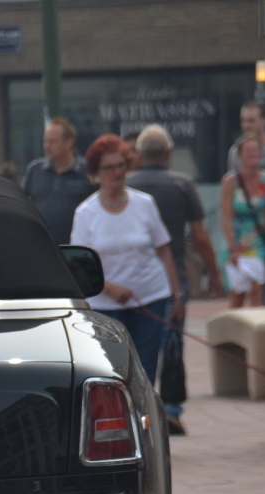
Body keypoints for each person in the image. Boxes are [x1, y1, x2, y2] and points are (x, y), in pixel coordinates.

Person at [127, 124, 223, 435]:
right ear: (168, 153)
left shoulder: (126, 186)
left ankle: (138, 408)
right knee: (171, 345)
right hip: (172, 279)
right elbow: (200, 236)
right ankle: (170, 409)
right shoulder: (182, 184)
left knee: (137, 347)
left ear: (139, 155)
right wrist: (214, 272)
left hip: (135, 280)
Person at [71, 134, 184, 386]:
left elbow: (164, 251)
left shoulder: (145, 204)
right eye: (109, 167)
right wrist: (111, 289)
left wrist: (177, 296)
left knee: (145, 369)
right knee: (112, 371)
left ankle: (146, 422)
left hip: (150, 298)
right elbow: (80, 266)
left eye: (121, 165)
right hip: (105, 304)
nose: (117, 172)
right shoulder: (86, 213)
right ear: (95, 172)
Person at [220, 135, 265, 308]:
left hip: (257, 242)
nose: (253, 154)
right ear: (240, 156)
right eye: (248, 151)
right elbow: (226, 216)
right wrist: (231, 247)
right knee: (237, 296)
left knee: (257, 292)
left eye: (255, 150)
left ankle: (256, 333)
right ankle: (234, 334)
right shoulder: (231, 182)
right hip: (237, 242)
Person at [21, 118, 95, 245]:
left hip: (77, 248)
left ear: (69, 143)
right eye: (45, 141)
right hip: (42, 247)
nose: (47, 147)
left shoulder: (87, 171)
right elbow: (21, 204)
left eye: (52, 142)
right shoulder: (35, 170)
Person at [226, 100, 265, 175]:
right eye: (243, 121)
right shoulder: (236, 151)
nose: (246, 126)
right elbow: (233, 182)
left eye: (251, 121)